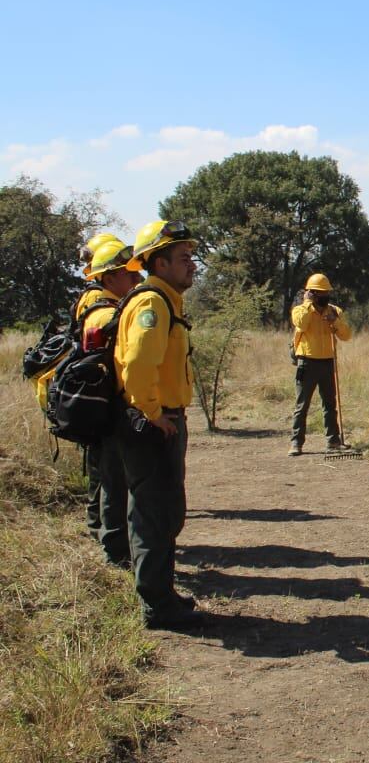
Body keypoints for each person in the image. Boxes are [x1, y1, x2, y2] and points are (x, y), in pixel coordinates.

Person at [111, 220, 204, 629]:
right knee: (154, 514)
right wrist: (153, 414)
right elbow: (137, 365)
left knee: (164, 511)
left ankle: (162, 594)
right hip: (152, 423)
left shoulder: (165, 301)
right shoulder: (152, 304)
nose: (192, 265)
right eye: (184, 258)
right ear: (159, 263)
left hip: (161, 418)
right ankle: (157, 607)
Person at [80, 239, 142, 567]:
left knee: (109, 478)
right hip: (112, 409)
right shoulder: (106, 314)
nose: (136, 279)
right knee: (114, 482)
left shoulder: (106, 308)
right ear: (108, 278)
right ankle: (116, 553)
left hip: (105, 407)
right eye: (128, 274)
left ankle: (110, 541)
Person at [289, 274, 354, 456]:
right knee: (302, 405)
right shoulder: (300, 310)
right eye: (320, 292)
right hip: (307, 362)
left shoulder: (334, 311)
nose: (325, 295)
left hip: (327, 361)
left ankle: (333, 441)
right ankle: (296, 443)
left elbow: (346, 335)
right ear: (311, 293)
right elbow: (301, 324)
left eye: (326, 292)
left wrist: (335, 321)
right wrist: (308, 304)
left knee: (330, 404)